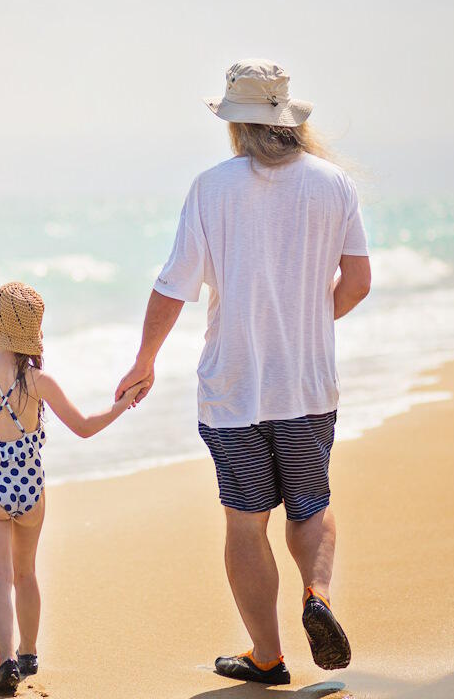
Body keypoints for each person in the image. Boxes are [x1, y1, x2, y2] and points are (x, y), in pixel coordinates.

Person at [115, 59, 372, 685]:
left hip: (232, 391)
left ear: (236, 125)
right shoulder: (334, 184)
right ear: (286, 119)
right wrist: (308, 325)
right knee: (310, 504)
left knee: (245, 519)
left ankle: (267, 653)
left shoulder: (212, 187)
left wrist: (144, 360)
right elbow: (359, 282)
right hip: (307, 385)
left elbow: (173, 287)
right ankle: (318, 596)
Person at [0, 281, 143, 696]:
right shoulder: (40, 381)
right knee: (26, 573)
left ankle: (5, 662)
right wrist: (122, 402)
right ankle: (29, 653)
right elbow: (85, 427)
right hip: (31, 489)